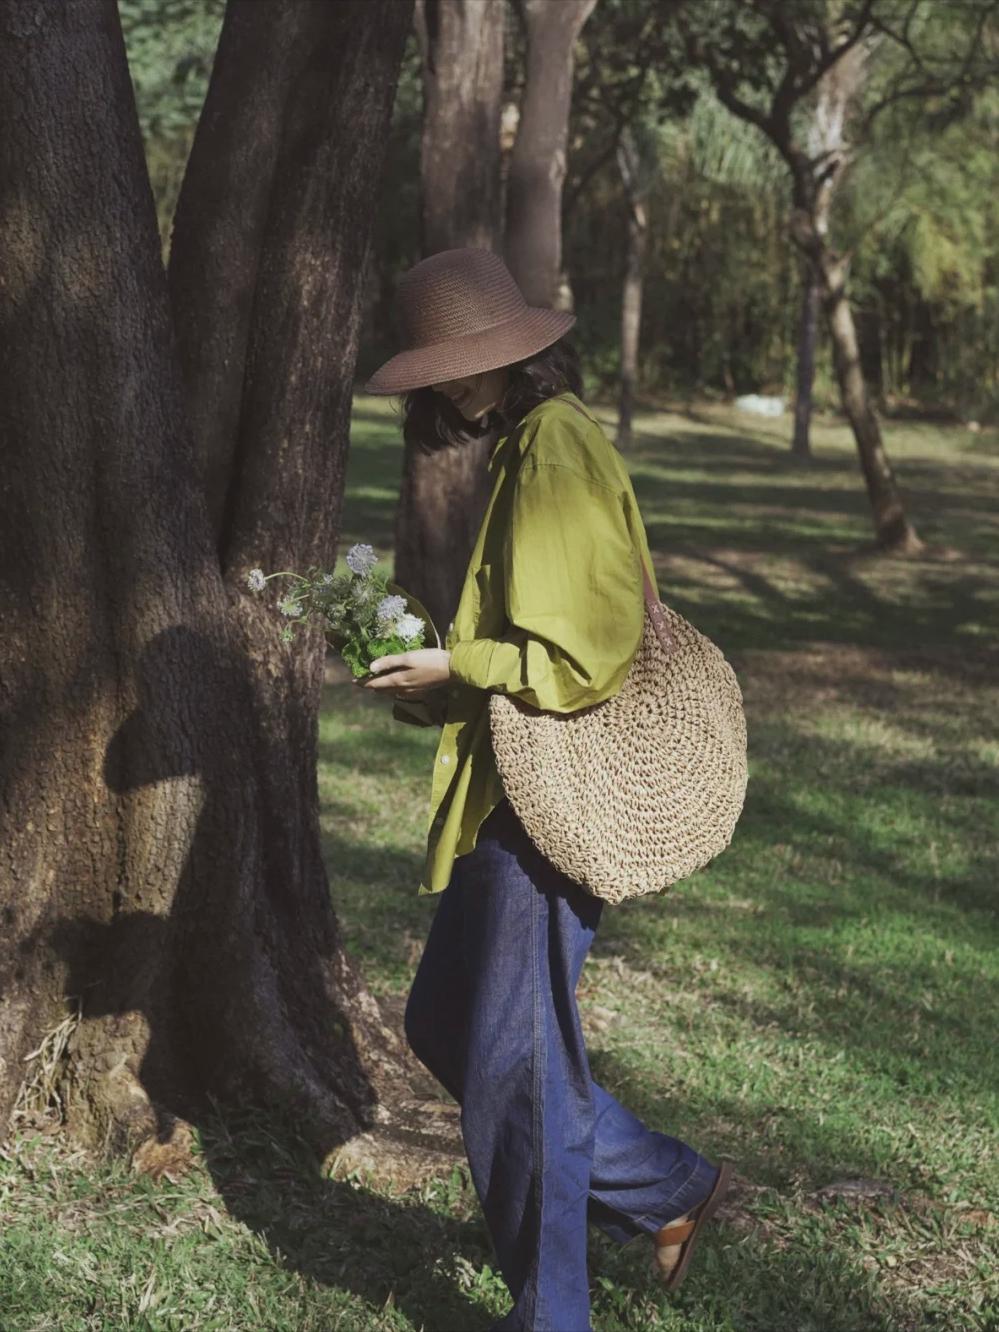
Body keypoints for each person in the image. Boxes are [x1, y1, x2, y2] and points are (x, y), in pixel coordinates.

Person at [361, 248, 732, 1332]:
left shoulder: (554, 449)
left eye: (464, 363)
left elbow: (586, 656)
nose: (449, 384)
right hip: (513, 795)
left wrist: (457, 668)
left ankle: (551, 1316)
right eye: (438, 369)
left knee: (513, 1068)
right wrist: (433, 683)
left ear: (516, 356)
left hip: (546, 810)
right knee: (446, 1024)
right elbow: (528, 645)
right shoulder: (525, 445)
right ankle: (669, 1188)